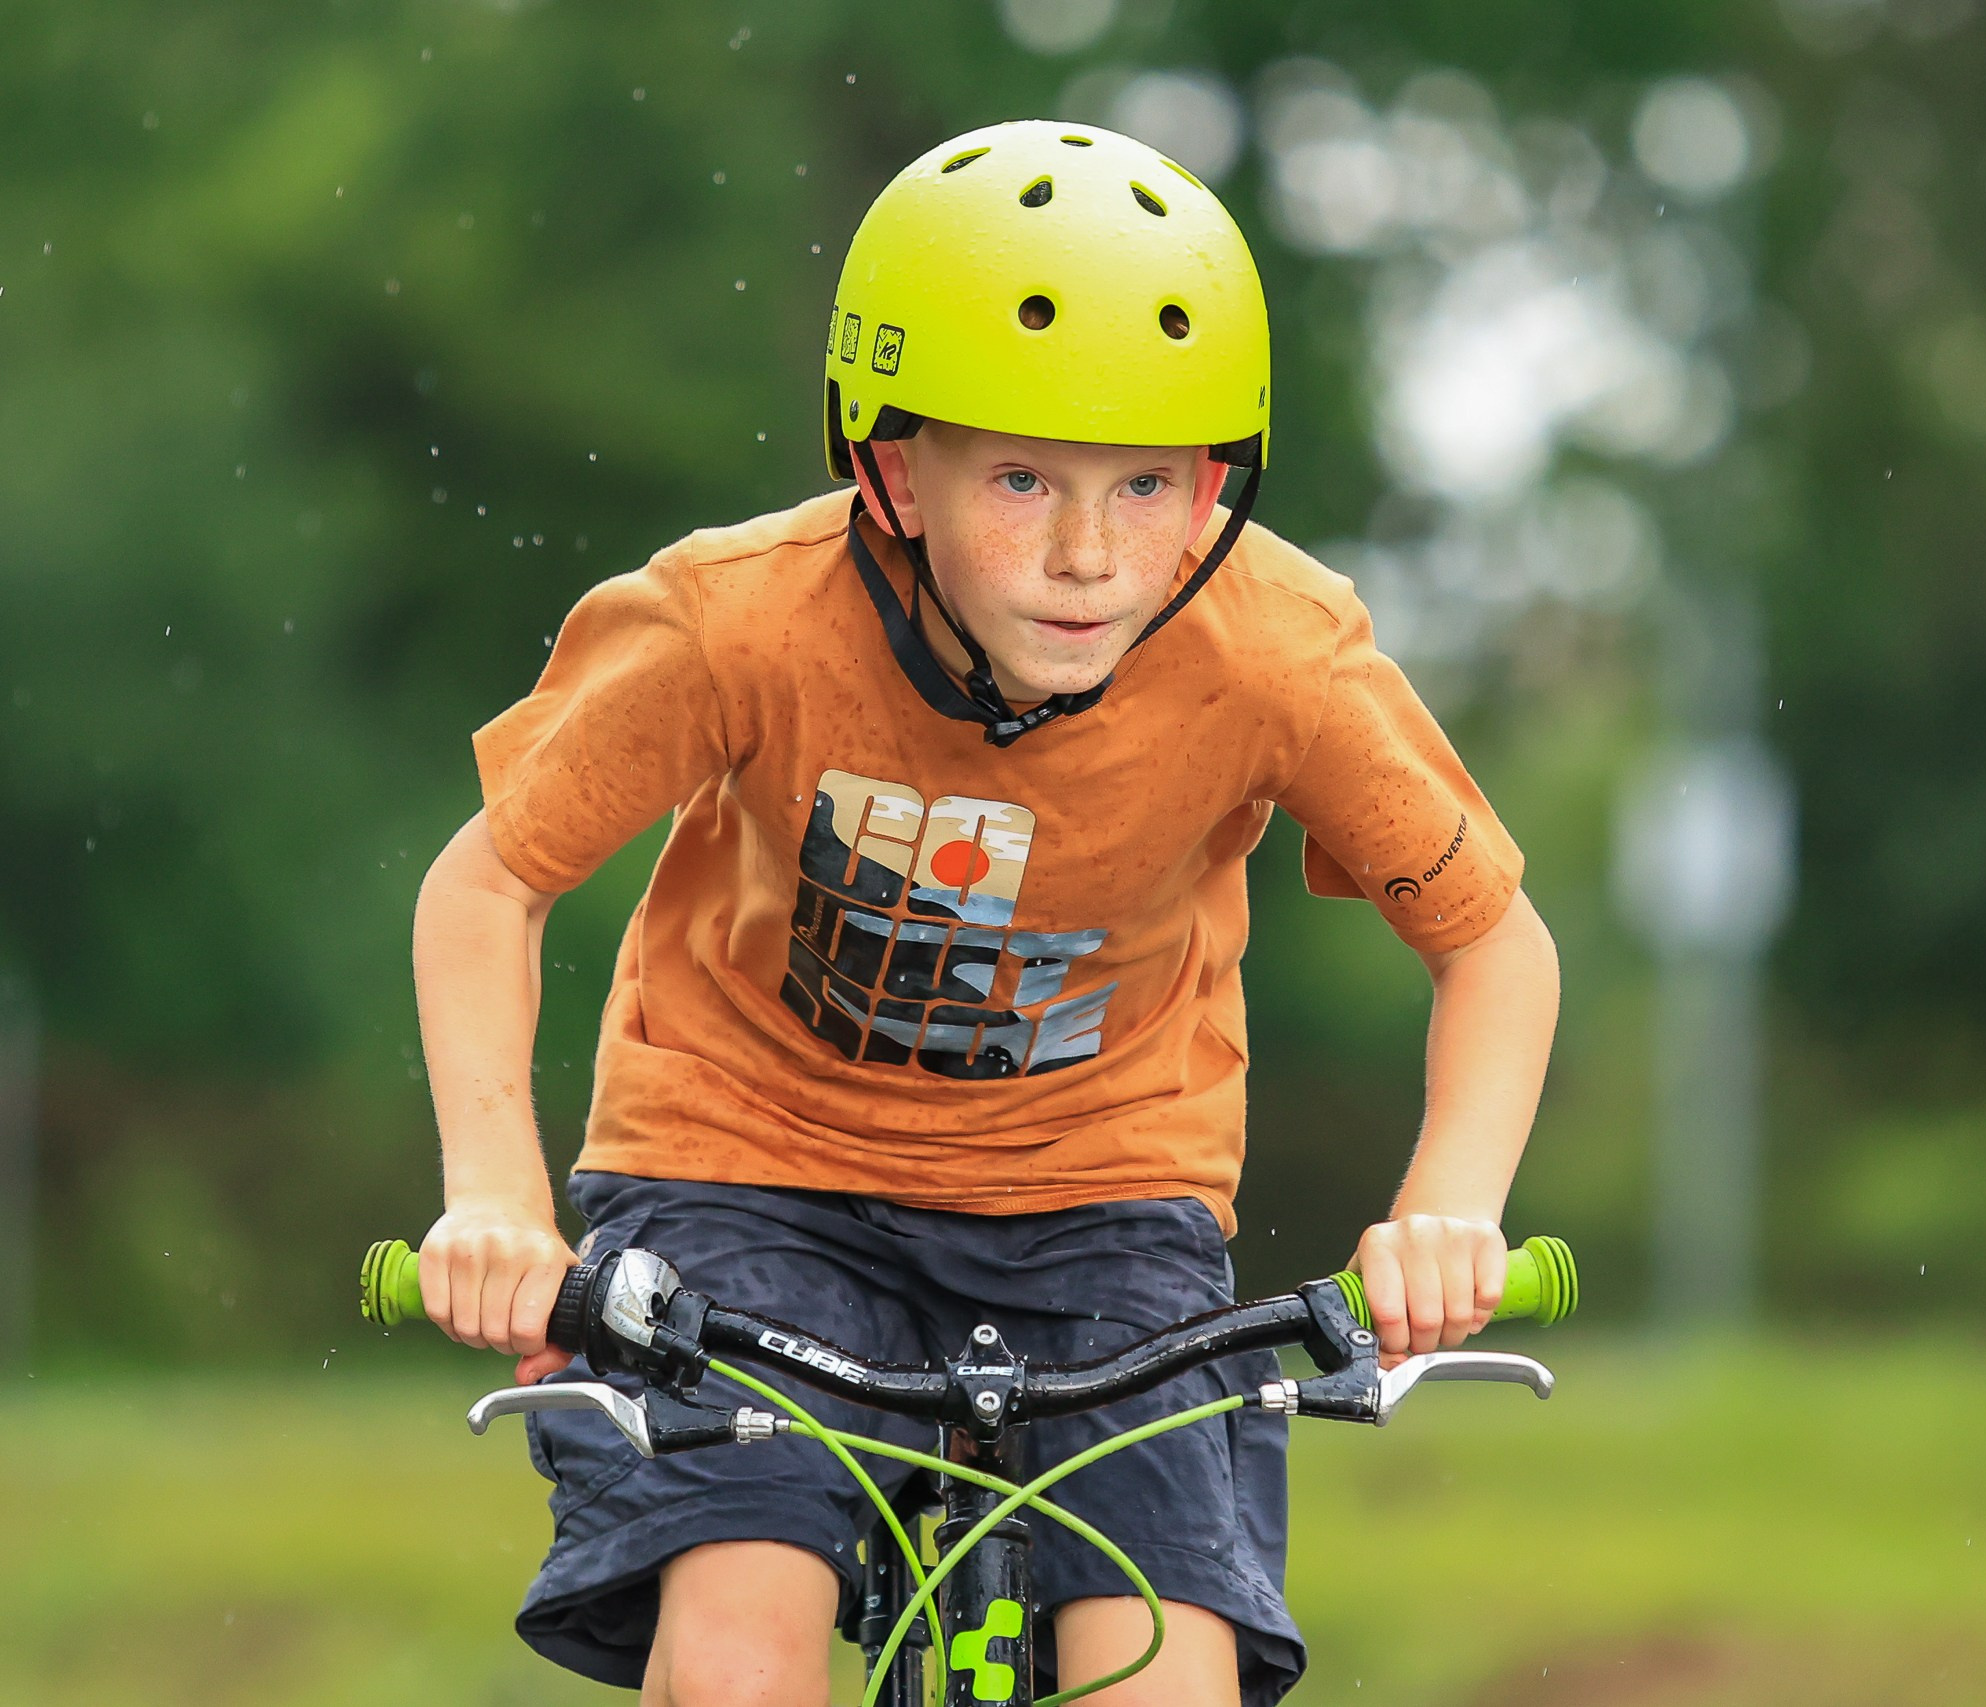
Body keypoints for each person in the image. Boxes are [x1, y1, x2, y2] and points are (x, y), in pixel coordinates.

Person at [410, 119, 1560, 1707]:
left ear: (1213, 485)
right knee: (738, 1654)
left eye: (1146, 484)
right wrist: (494, 1200)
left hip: (1104, 1197)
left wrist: (1452, 1206)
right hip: (747, 1169)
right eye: (1021, 478)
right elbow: (491, 879)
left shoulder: (1278, 659)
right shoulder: (734, 625)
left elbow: (1493, 939)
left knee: (1158, 1679)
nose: (1089, 556)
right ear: (894, 467)